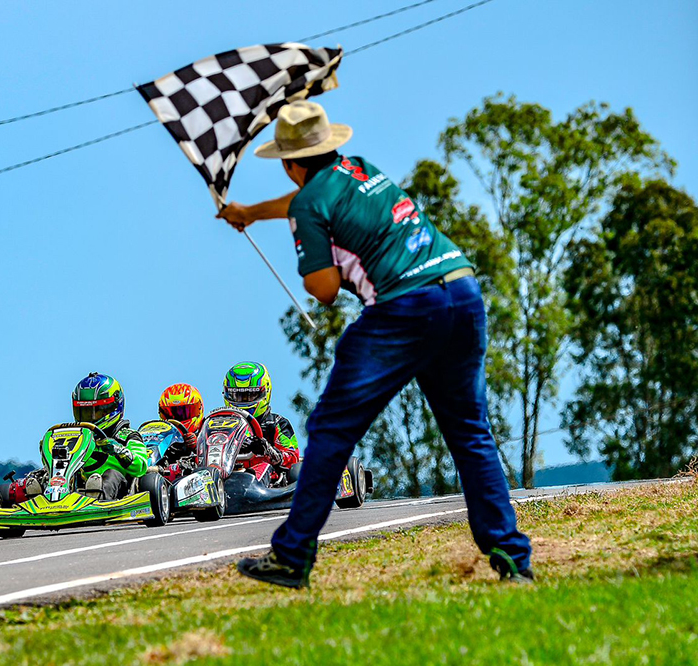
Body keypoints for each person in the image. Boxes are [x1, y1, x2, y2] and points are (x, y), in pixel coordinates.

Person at [218, 101, 532, 588]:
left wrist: (318, 264)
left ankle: (292, 556)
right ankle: (512, 559)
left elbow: (322, 288)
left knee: (330, 430)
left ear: (290, 163)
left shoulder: (307, 204)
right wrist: (251, 215)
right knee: (471, 432)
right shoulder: (363, 169)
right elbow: (309, 202)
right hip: (461, 290)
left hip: (403, 308)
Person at [10, 372, 149, 502]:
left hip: (118, 490)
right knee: (46, 475)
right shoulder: (79, 436)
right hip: (78, 486)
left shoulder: (127, 436)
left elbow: (141, 466)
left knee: (111, 474)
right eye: (85, 412)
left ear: (113, 407)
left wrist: (117, 450)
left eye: (97, 412)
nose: (91, 418)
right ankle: (39, 498)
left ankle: (98, 500)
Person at [222, 362, 300, 485]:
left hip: (265, 483)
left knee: (262, 468)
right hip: (225, 475)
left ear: (265, 393)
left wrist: (266, 449)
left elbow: (292, 458)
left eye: (250, 395)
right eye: (237, 395)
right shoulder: (220, 424)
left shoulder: (276, 423)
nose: (243, 400)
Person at [156, 383, 203, 481]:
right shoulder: (162, 436)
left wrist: (197, 445)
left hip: (200, 479)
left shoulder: (205, 431)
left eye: (185, 411)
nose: (179, 417)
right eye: (172, 413)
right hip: (165, 482)